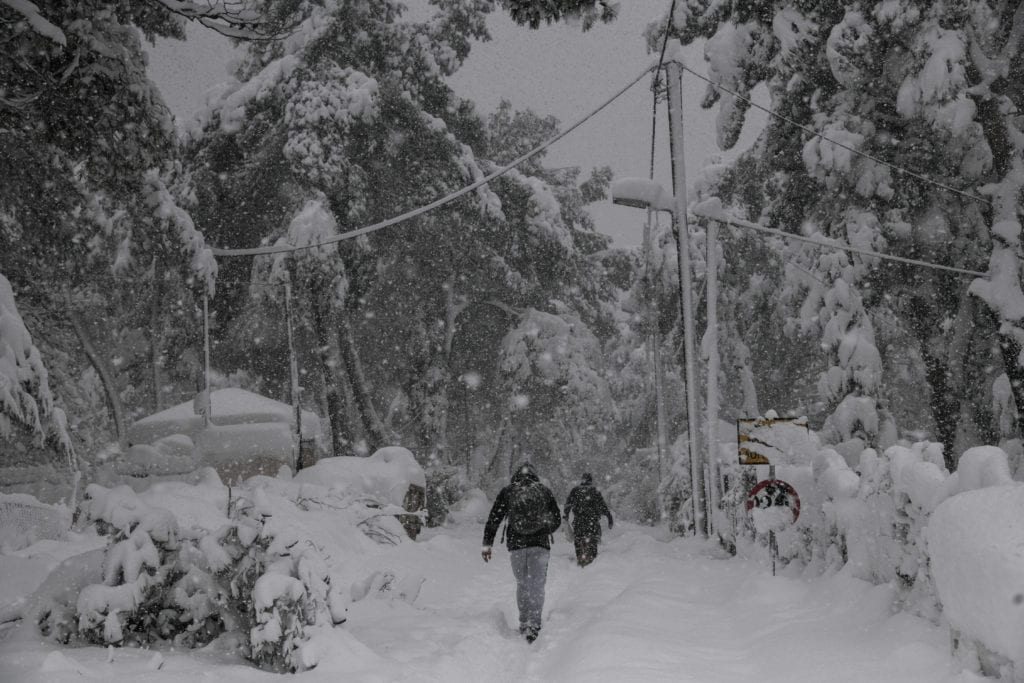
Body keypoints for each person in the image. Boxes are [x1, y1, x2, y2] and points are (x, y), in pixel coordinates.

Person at [482, 462, 561, 643]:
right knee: (537, 586)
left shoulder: (508, 491)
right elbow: (556, 519)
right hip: (540, 545)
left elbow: (494, 518)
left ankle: (524, 622)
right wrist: (543, 528)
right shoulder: (544, 491)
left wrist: (487, 544)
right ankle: (534, 624)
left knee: (523, 584)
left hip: (517, 546)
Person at [563, 473, 613, 567]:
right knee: (592, 541)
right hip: (592, 523)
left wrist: (566, 515)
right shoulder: (595, 491)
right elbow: (603, 507)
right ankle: (592, 561)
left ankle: (580, 558)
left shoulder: (575, 491)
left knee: (579, 540)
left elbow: (568, 505)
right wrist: (609, 517)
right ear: (591, 481)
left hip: (579, 522)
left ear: (582, 480)